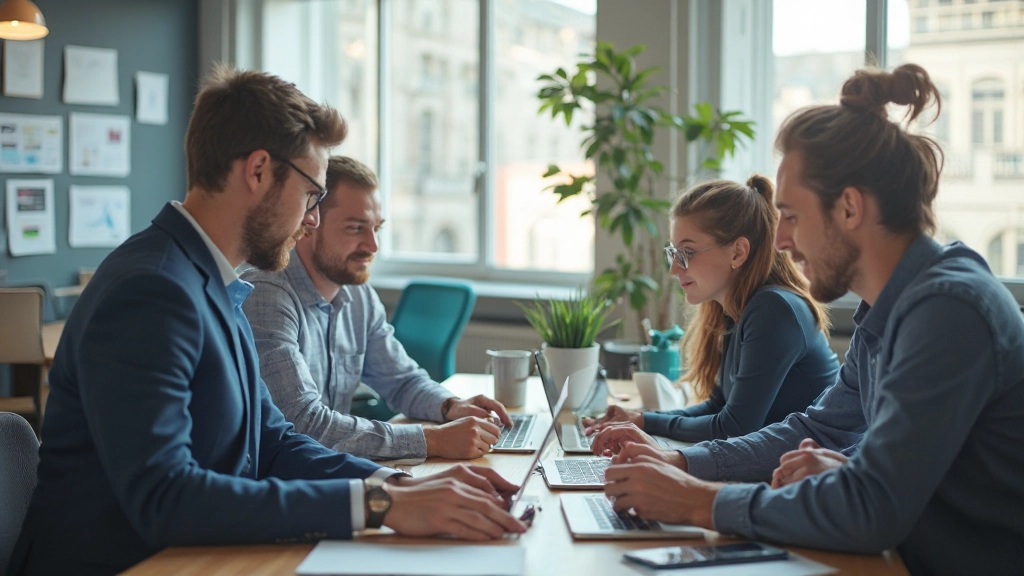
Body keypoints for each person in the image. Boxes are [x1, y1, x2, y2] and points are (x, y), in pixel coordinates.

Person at [8, 66, 524, 576]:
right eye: (311, 195)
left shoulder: (213, 278)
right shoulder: (152, 291)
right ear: (257, 171)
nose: (313, 219)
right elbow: (166, 497)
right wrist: (376, 507)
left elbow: (272, 439)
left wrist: (397, 486)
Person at [596, 63, 1024, 575]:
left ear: (848, 208)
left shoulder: (948, 311)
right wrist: (681, 463)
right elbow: (817, 427)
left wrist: (697, 501)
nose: (779, 242)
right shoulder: (888, 311)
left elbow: (874, 510)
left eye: (792, 217)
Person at [241, 156, 511, 462]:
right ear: (309, 223)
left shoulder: (359, 297)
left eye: (376, 229)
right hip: (283, 484)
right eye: (356, 228)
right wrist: (430, 439)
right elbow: (304, 424)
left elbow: (402, 380)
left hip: (332, 472)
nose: (372, 246)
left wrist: (450, 406)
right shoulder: (266, 295)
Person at [584, 175, 839, 447]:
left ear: (738, 253)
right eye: (674, 253)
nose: (674, 269)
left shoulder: (773, 310)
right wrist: (639, 420)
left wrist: (646, 424)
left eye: (688, 252)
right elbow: (718, 406)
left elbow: (734, 428)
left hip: (812, 478)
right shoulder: (737, 309)